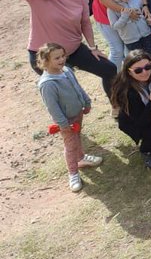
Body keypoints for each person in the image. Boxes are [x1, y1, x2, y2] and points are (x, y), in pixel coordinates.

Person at [37, 43, 103, 192]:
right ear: (45, 61)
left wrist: (86, 102)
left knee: (77, 137)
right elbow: (52, 107)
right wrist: (63, 124)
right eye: (56, 58)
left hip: (77, 113)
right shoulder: (47, 84)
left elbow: (77, 87)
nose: (62, 60)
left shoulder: (66, 71)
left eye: (63, 56)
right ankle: (73, 173)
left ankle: (81, 158)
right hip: (66, 121)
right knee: (70, 145)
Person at [110, 51, 151, 167]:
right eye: (138, 70)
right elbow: (141, 122)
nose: (144, 72)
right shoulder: (129, 92)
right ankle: (146, 150)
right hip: (134, 122)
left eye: (148, 67)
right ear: (129, 71)